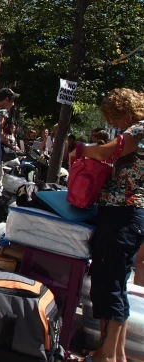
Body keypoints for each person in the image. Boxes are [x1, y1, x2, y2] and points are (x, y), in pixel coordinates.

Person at [80, 88, 144, 362]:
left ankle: (105, 355)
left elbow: (107, 151)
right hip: (125, 215)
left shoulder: (139, 130)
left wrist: (85, 149)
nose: (116, 125)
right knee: (115, 283)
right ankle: (115, 355)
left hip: (123, 214)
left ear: (124, 111)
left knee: (110, 284)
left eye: (116, 119)